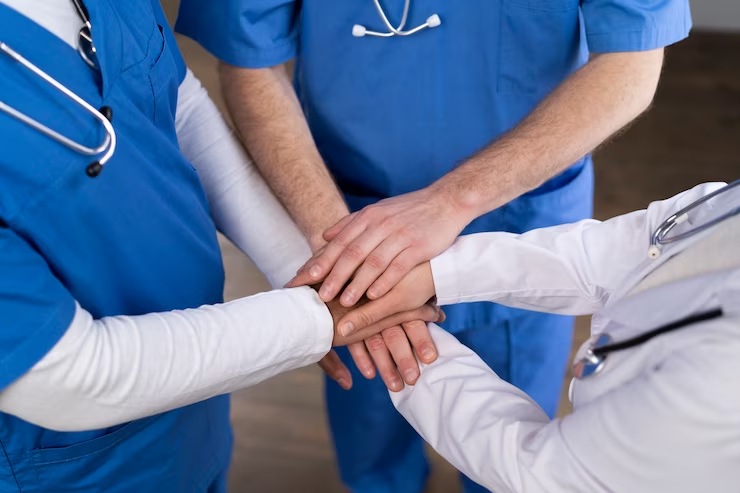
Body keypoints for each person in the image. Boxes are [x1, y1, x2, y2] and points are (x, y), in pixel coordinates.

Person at [175, 0, 690, 490]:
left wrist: (452, 201)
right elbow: (248, 60)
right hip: (341, 206)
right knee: (372, 435)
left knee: (515, 455)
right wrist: (349, 251)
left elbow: (631, 63)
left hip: (521, 215)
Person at [0, 2, 441, 491]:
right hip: (75, 464)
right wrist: (314, 317)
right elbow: (70, 375)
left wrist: (316, 271)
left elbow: (175, 103)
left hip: (192, 403)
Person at [336, 180, 740, 492]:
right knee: (371, 442)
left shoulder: (720, 385)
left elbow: (539, 471)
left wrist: (401, 336)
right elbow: (638, 248)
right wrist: (432, 276)